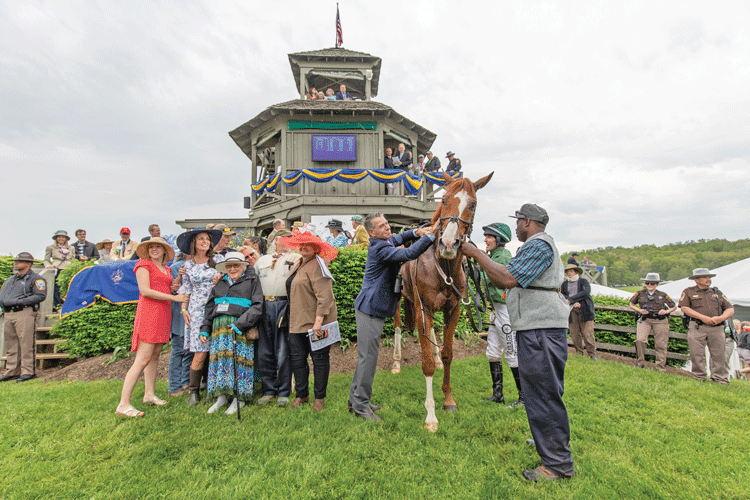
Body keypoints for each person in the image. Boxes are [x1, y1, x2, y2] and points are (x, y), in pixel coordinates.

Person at [462, 203, 574, 481]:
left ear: (527, 222)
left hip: (542, 329)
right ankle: (547, 444)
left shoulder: (538, 246)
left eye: (517, 222)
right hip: (537, 327)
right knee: (538, 392)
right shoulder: (535, 246)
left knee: (544, 393)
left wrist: (475, 253)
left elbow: (506, 278)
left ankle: (558, 465)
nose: (514, 228)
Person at [348, 214, 437, 421]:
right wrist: (431, 235)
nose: (388, 228)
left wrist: (416, 232)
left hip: (371, 308)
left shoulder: (383, 242)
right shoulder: (380, 249)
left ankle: (356, 400)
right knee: (368, 359)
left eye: (387, 223)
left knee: (365, 358)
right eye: (382, 226)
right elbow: (411, 252)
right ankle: (361, 405)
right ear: (372, 233)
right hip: (370, 309)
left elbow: (398, 238)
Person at [115, 238, 187, 417]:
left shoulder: (168, 269)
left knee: (154, 356)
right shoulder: (143, 264)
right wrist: (174, 298)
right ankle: (123, 404)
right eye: (152, 247)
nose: (154, 250)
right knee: (142, 358)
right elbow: (145, 290)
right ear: (147, 251)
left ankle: (149, 394)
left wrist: (177, 281)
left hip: (163, 313)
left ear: (164, 251)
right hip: (149, 313)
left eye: (158, 247)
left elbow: (167, 287)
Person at [280, 231, 339, 411]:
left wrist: (318, 322)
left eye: (309, 245)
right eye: (302, 244)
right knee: (297, 360)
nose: (304, 247)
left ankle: (319, 398)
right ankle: (302, 395)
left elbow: (325, 297)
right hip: (296, 320)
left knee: (319, 359)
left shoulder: (318, 266)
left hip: (316, 321)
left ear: (316, 248)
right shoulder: (299, 264)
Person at [200, 252, 263, 415]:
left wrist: (239, 324)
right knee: (220, 362)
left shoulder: (252, 280)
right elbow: (209, 307)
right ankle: (221, 397)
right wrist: (205, 328)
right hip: (219, 328)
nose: (233, 269)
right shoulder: (220, 282)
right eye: (229, 266)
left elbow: (257, 306)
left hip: (240, 326)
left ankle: (238, 399)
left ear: (242, 266)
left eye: (236, 265)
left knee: (239, 361)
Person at [174, 227, 224, 406]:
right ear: (193, 243)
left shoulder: (218, 260)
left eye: (207, 239)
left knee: (216, 351)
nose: (205, 242)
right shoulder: (187, 265)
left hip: (216, 307)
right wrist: (183, 309)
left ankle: (213, 389)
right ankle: (193, 391)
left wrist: (221, 280)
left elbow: (230, 281)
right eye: (201, 239)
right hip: (196, 310)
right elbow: (186, 289)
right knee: (200, 352)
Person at [478, 223, 523, 408]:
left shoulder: (502, 256)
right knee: (493, 352)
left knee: (512, 353)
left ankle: (524, 398)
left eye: (489, 236)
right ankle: (498, 395)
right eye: (486, 236)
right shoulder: (494, 256)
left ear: (498, 239)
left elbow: (497, 279)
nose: (486, 240)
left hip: (505, 310)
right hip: (496, 310)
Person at [254, 229, 300, 407]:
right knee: (265, 350)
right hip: (264, 306)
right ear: (278, 240)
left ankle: (283, 392)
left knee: (283, 350)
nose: (289, 241)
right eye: (286, 238)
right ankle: (268, 390)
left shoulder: (296, 258)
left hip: (284, 305)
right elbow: (253, 281)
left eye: (291, 239)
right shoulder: (262, 260)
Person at [678, 268, 734, 385]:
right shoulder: (688, 291)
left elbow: (730, 309)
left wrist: (720, 318)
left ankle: (720, 379)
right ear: (697, 280)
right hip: (697, 326)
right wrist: (702, 317)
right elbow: (684, 308)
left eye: (709, 277)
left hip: (717, 327)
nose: (708, 279)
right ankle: (699, 377)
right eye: (705, 277)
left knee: (719, 354)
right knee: (696, 353)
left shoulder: (717, 292)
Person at [0, 252, 47, 382]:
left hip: (25, 312)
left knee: (26, 343)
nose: (15, 263)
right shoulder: (10, 279)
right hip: (8, 314)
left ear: (28, 264)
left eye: (19, 261)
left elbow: (40, 296)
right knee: (10, 344)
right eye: (15, 261)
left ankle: (28, 371)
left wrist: (18, 301)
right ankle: (12, 371)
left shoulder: (36, 279)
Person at [628, 273, 676, 371]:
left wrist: (666, 311)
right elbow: (632, 304)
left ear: (657, 284)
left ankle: (660, 367)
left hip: (660, 320)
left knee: (661, 344)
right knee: (640, 340)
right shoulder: (639, 293)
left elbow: (674, 306)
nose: (650, 285)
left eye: (652, 283)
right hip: (645, 319)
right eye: (648, 283)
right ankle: (640, 363)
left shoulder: (662, 295)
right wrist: (639, 310)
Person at [167, 252, 193, 396]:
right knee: (178, 350)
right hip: (179, 314)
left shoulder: (199, 266)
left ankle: (186, 382)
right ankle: (174, 386)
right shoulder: (177, 267)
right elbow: (172, 288)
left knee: (189, 351)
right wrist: (179, 276)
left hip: (192, 313)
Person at [561, 264, 597, 359]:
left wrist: (572, 300)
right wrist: (572, 303)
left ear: (576, 272)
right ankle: (579, 352)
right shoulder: (564, 284)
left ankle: (592, 354)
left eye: (571, 271)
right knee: (574, 333)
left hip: (585, 310)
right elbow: (563, 295)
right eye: (568, 271)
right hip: (572, 310)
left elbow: (585, 293)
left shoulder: (583, 281)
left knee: (587, 333)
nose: (569, 273)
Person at [44, 230, 73, 309]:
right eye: (59, 237)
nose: (61, 239)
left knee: (69, 287)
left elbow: (73, 259)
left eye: (63, 237)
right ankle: (58, 306)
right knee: (57, 287)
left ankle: (68, 305)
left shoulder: (71, 248)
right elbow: (46, 260)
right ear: (56, 238)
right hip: (57, 268)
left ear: (66, 239)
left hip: (68, 269)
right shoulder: (50, 247)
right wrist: (48, 265)